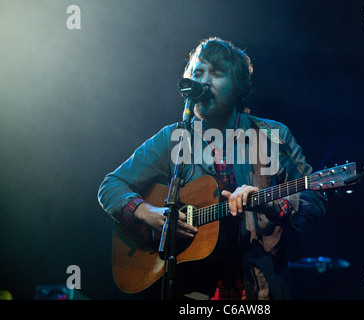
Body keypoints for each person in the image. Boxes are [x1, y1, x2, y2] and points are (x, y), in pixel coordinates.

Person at [98, 37, 327, 300]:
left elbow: (316, 198)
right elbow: (111, 186)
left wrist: (270, 205)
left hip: (260, 291)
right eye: (197, 73)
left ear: (239, 85)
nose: (204, 82)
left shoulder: (274, 136)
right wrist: (147, 212)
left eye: (217, 74)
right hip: (193, 292)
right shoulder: (173, 137)